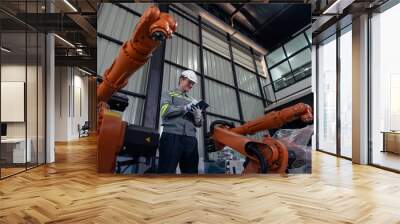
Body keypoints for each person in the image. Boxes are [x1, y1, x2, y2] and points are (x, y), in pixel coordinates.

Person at [158, 70, 203, 174]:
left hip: (191, 140)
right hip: (172, 136)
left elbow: (199, 124)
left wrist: (198, 117)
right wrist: (185, 107)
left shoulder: (193, 100)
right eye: (189, 82)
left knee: (191, 173)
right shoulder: (169, 93)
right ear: (181, 79)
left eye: (193, 83)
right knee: (166, 171)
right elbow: (165, 111)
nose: (191, 85)